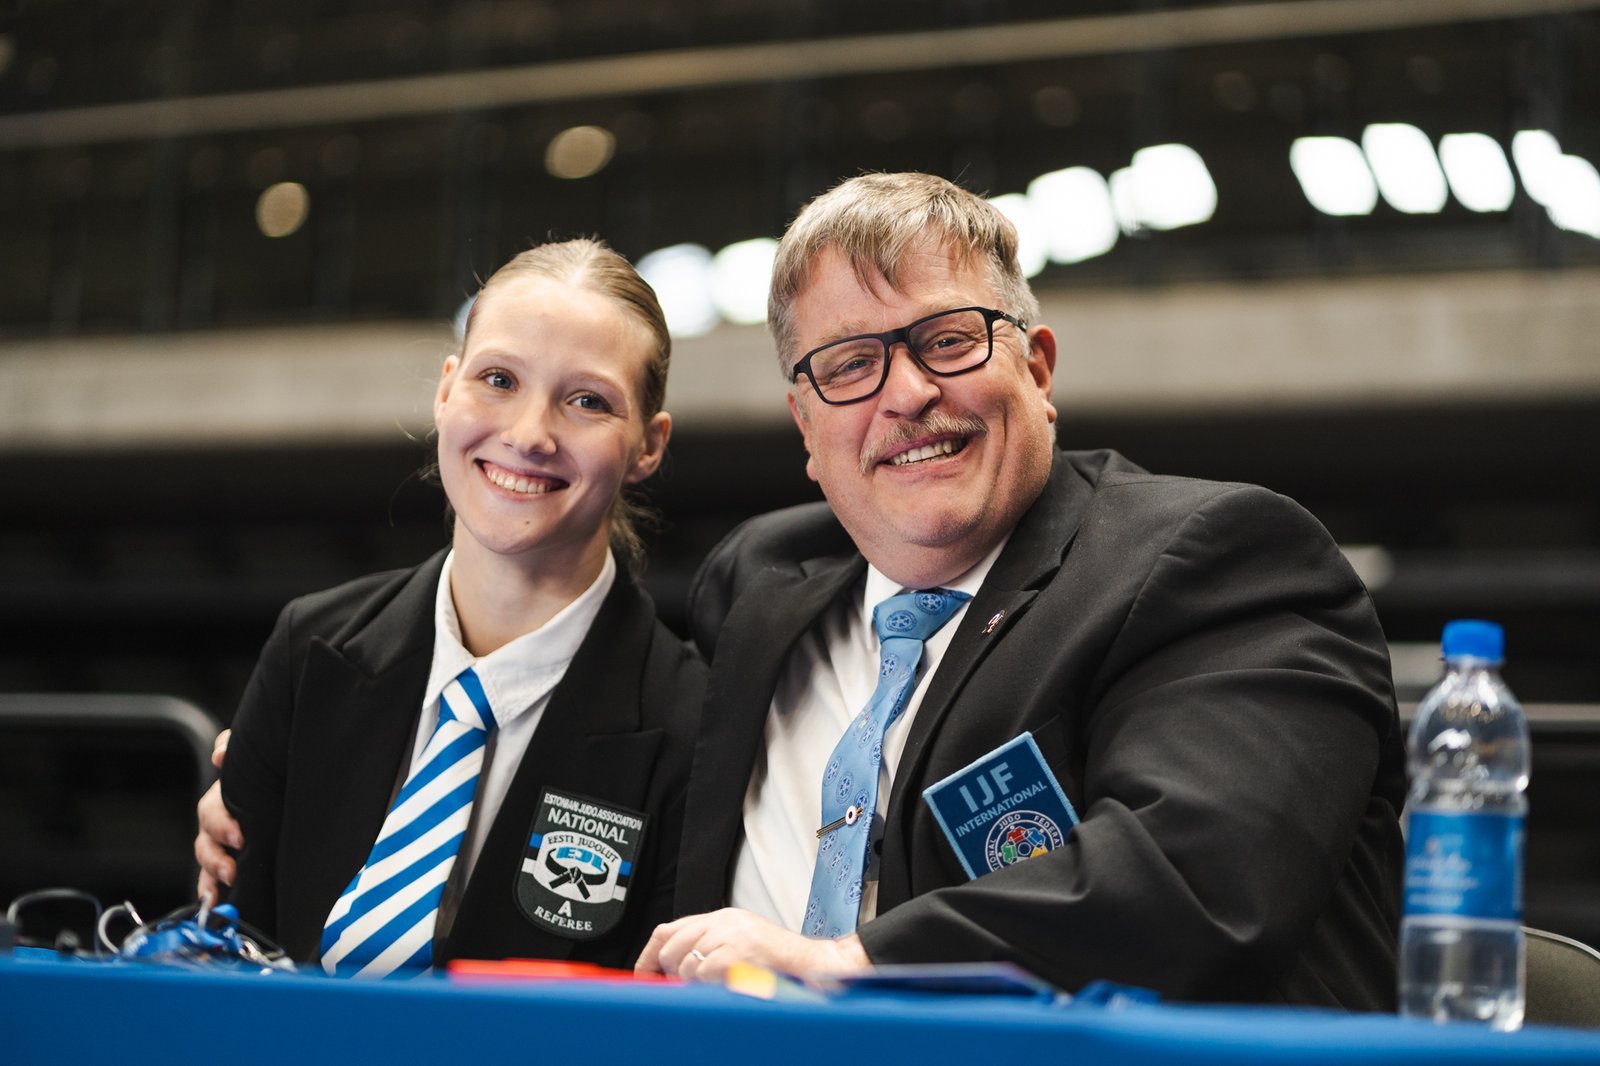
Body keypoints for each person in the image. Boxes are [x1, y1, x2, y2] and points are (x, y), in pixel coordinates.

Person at [635, 172, 1406, 1010]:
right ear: (806, 426)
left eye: (948, 340)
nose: (908, 394)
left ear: (1037, 370)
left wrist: (844, 963)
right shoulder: (757, 587)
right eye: (851, 363)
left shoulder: (1223, 560)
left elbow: (1199, 878)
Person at [196, 238, 703, 976]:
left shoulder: (693, 727)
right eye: (498, 379)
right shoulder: (311, 649)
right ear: (445, 392)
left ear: (647, 446)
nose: (528, 434)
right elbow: (230, 967)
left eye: (587, 401)